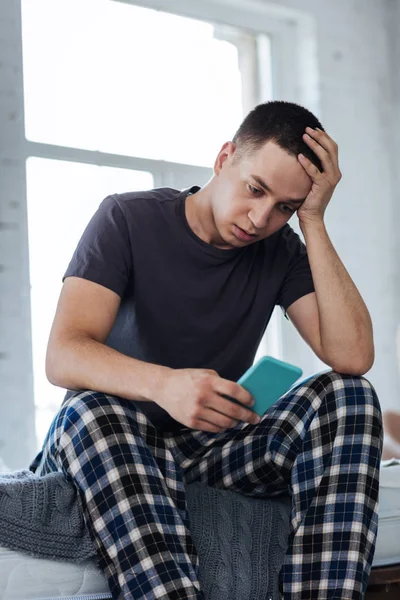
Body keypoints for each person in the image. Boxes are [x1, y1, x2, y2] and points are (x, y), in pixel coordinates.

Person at [29, 101, 383, 600]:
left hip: (206, 449)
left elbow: (352, 357)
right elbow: (62, 355)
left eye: (284, 207)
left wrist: (314, 221)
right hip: (108, 439)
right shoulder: (125, 217)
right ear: (224, 158)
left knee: (351, 398)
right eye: (255, 189)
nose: (261, 218)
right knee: (94, 410)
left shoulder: (281, 248)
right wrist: (166, 385)